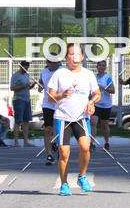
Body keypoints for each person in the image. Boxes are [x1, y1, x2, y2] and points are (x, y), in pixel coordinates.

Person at [47, 43, 100, 195]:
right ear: (66, 58)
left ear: (82, 57)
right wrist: (61, 95)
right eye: (71, 54)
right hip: (63, 118)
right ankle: (64, 184)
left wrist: (92, 101)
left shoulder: (88, 74)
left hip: (81, 117)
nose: (75, 58)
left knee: (85, 147)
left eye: (78, 54)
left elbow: (97, 94)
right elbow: (50, 98)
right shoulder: (59, 74)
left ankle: (82, 176)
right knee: (64, 153)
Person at [38, 56, 61, 164]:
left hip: (59, 104)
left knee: (58, 128)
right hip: (47, 103)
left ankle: (58, 145)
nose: (51, 64)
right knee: (48, 129)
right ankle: (49, 154)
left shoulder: (62, 71)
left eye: (54, 62)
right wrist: (40, 86)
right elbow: (41, 84)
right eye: (49, 62)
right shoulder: (44, 71)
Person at [10, 60, 36, 147]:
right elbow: (12, 88)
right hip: (18, 100)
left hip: (27, 100)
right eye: (25, 67)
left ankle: (26, 141)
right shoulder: (16, 76)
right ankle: (16, 142)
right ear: (21, 66)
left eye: (27, 68)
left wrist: (32, 85)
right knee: (18, 121)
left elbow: (27, 88)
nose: (26, 69)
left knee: (26, 121)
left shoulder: (26, 75)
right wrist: (24, 86)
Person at [92, 59, 115, 150]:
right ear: (97, 67)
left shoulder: (107, 78)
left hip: (106, 104)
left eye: (103, 65)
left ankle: (107, 142)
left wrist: (103, 87)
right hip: (96, 103)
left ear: (105, 67)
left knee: (104, 125)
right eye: (99, 65)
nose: (101, 67)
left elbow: (113, 90)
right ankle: (92, 142)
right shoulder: (94, 77)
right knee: (93, 121)